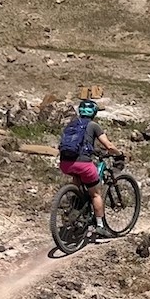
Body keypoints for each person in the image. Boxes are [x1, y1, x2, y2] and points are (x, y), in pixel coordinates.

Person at [58, 98, 120, 234]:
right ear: (94, 113)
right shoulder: (93, 125)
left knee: (79, 186)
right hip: (83, 164)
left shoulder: (71, 124)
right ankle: (100, 226)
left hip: (65, 163)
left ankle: (76, 208)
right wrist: (119, 153)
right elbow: (108, 145)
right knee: (96, 194)